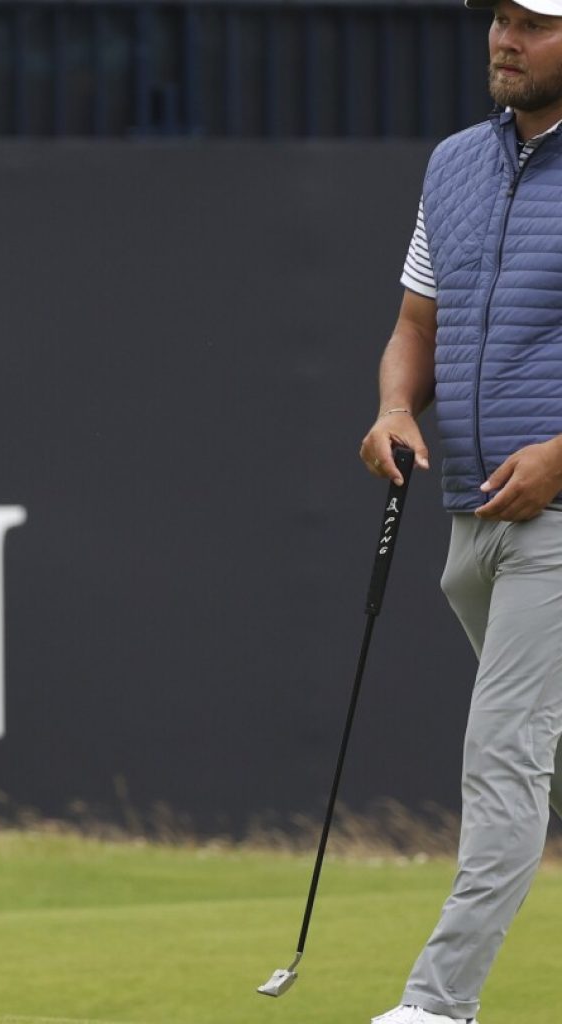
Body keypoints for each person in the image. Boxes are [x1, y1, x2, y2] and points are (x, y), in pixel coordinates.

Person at [359, 1, 562, 1021]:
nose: (505, 39)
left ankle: (438, 1003)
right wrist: (396, 407)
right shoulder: (453, 165)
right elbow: (413, 325)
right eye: (500, 17)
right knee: (549, 757)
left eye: (535, 24)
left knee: (504, 754)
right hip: (469, 512)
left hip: (558, 517)